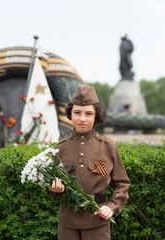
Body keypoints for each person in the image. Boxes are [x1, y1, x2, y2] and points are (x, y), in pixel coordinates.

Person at [47, 85, 130, 240]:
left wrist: (112, 206)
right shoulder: (60, 148)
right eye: (77, 112)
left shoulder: (108, 147)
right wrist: (54, 190)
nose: (82, 118)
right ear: (70, 114)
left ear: (96, 116)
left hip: (97, 221)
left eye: (89, 113)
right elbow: (51, 187)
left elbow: (122, 183)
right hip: (67, 224)